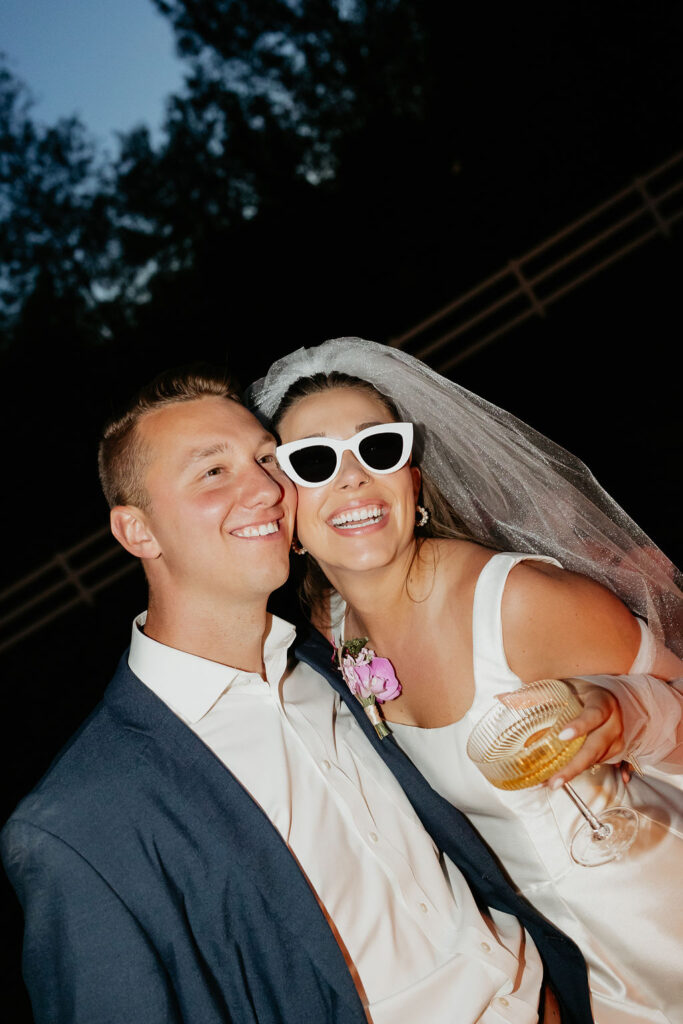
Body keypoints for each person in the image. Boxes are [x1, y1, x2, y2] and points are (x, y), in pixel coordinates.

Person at [0, 365, 594, 1024]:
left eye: (264, 459)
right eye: (213, 472)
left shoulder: (331, 656)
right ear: (137, 531)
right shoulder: (83, 822)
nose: (264, 488)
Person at [249, 337, 683, 1024]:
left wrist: (629, 713)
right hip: (569, 978)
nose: (354, 477)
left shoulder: (520, 603)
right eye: (313, 462)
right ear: (286, 517)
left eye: (378, 448)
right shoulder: (331, 633)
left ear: (412, 481)